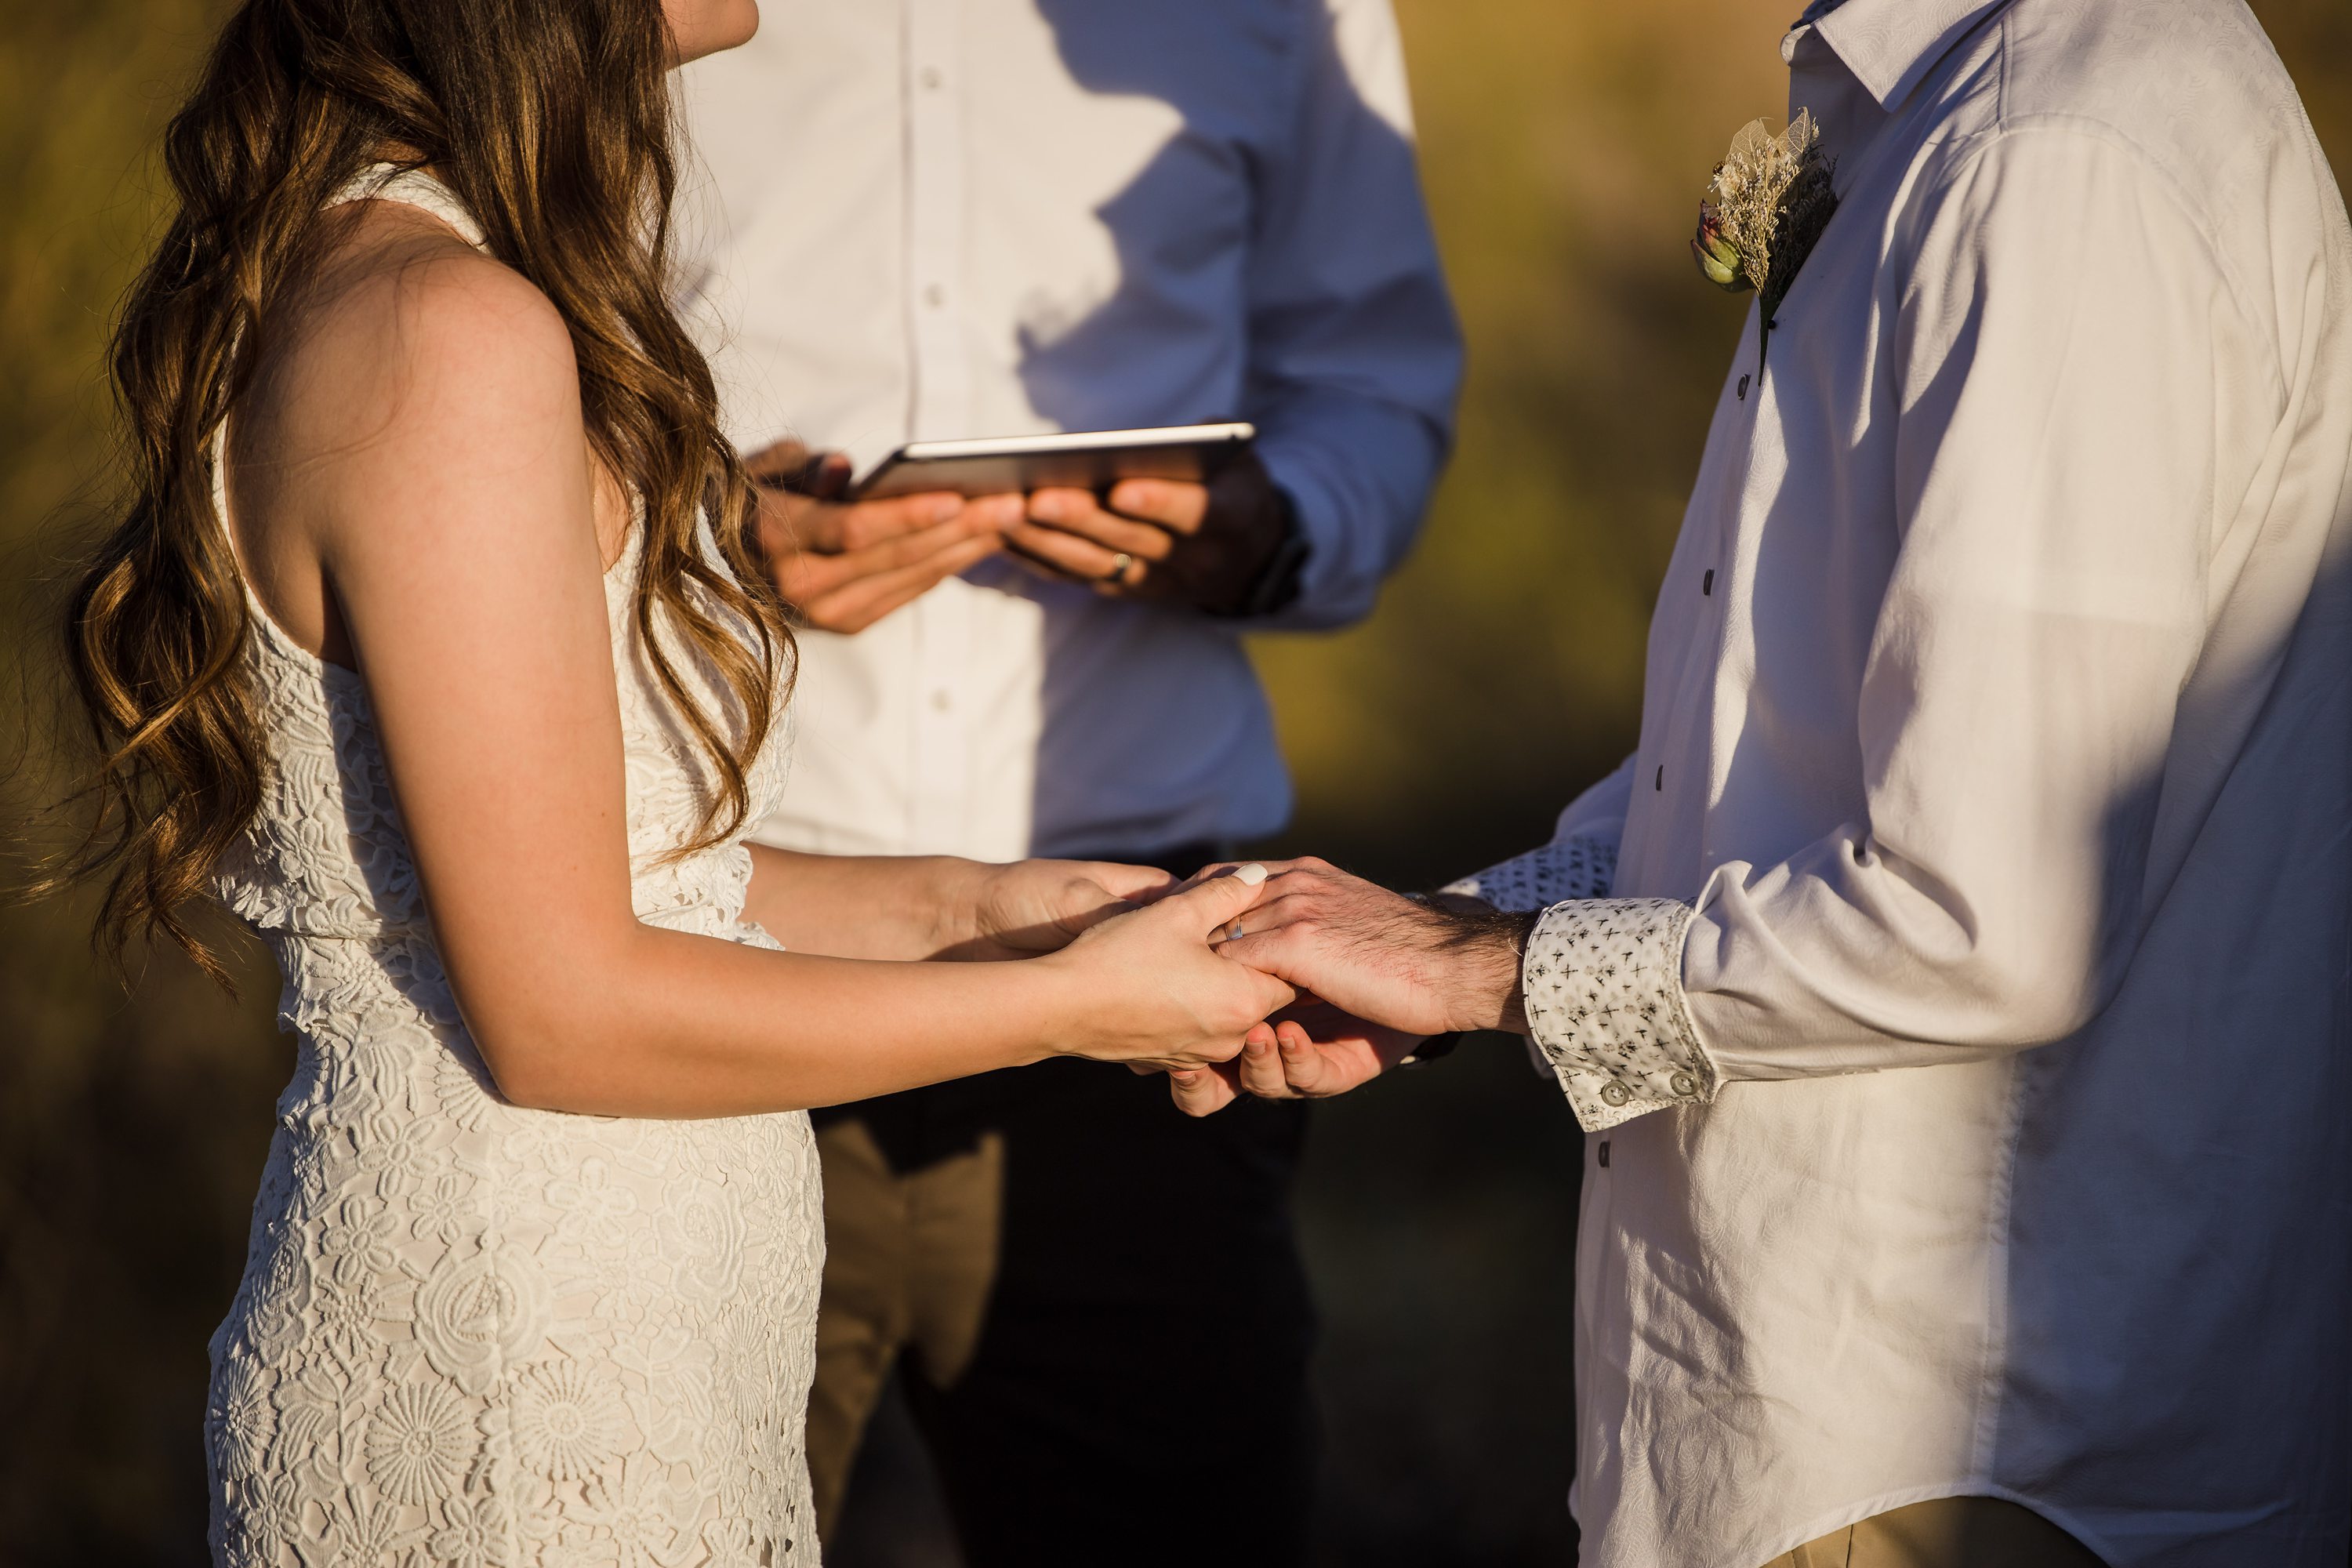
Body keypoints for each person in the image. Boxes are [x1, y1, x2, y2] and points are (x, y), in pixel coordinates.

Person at [53, 1, 1294, 1561]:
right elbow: (562, 1005)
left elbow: (602, 875)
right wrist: (1071, 1009)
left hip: (583, 1337)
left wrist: (990, 909)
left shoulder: (389, 273)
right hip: (529, 1381)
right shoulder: (454, 334)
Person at [1188, 0, 2352, 1564]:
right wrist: (1443, 938)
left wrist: (1487, 972)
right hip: (1872, 1410)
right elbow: (1801, 763)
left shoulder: (2055, 159)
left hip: (1963, 1436)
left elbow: (1983, 914)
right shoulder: (1970, 105)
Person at [671, 3, 1461, 1558]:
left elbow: (1374, 384)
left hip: (1157, 963)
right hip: (712, 937)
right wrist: (695, 543)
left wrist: (1271, 524)